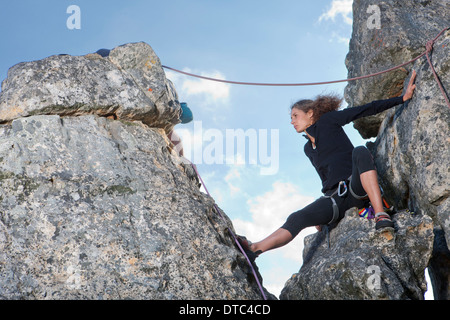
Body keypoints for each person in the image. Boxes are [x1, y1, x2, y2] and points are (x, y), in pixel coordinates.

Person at [238, 70, 417, 260]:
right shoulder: (308, 148)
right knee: (297, 217)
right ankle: (255, 249)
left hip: (355, 189)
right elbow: (324, 177)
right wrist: (320, 216)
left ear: (310, 113)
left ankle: (380, 214)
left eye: (295, 116)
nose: (292, 121)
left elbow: (365, 109)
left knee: (360, 151)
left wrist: (402, 98)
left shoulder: (328, 122)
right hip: (334, 200)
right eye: (291, 118)